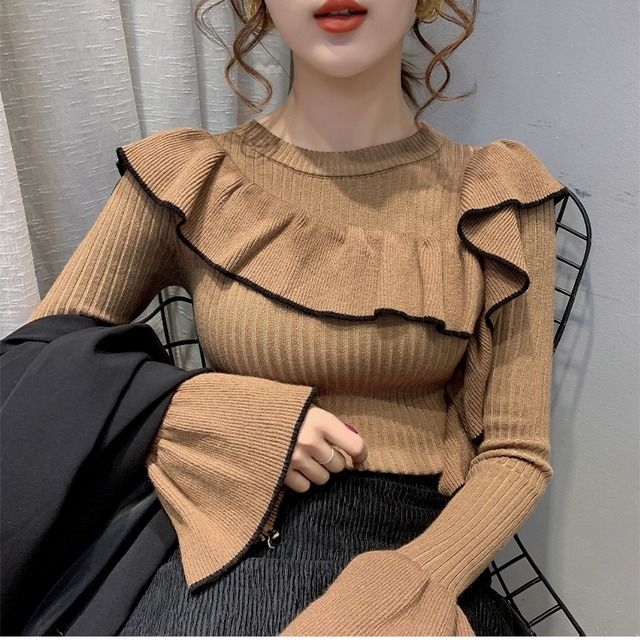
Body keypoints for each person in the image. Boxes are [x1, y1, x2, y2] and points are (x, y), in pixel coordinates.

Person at [0, 0, 566, 635]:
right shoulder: (190, 176)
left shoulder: (498, 193)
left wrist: (410, 587)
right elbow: (35, 371)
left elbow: (517, 451)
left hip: (427, 553)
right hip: (226, 533)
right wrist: (207, 412)